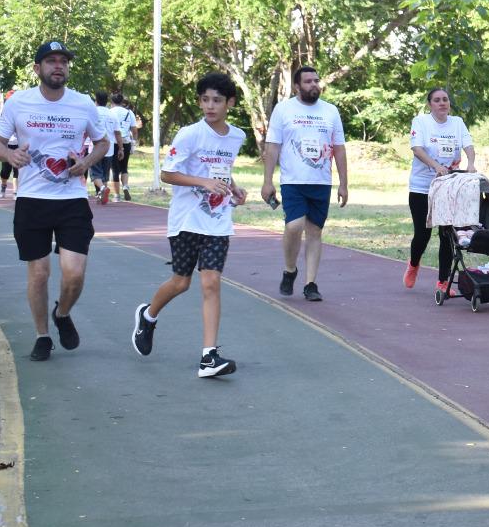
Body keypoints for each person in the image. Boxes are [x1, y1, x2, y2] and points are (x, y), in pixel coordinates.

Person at [0, 40, 108, 361]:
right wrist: (10, 154)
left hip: (71, 200)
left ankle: (63, 314)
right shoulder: (18, 103)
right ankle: (42, 335)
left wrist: (85, 163)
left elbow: (102, 142)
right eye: (51, 61)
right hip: (31, 199)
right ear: (37, 68)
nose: (58, 66)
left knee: (74, 273)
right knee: (39, 273)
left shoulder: (83, 104)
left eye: (63, 61)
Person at [131, 73, 246, 377]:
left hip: (218, 222)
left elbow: (222, 169)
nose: (210, 106)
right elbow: (168, 174)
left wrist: (233, 187)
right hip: (185, 220)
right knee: (181, 282)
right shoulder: (189, 134)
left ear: (229, 103)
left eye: (217, 100)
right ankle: (148, 315)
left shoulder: (237, 136)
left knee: (211, 282)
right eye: (205, 100)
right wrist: (204, 182)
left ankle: (209, 356)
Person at [260, 65, 348, 301]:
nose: (314, 85)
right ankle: (290, 270)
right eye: (308, 81)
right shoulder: (284, 109)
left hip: (321, 182)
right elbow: (273, 146)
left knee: (315, 231)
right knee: (294, 226)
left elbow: (339, 148)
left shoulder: (330, 111)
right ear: (297, 86)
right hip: (293, 181)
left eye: (316, 81)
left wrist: (343, 183)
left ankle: (310, 284)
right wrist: (267, 181)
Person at [403, 86, 475, 293]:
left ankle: (443, 283)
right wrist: (435, 166)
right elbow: (417, 149)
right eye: (437, 100)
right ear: (430, 104)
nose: (442, 103)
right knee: (422, 235)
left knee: (447, 235)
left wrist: (471, 162)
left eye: (445, 99)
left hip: (449, 187)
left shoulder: (457, 123)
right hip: (422, 187)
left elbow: (468, 145)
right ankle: (414, 263)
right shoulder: (421, 122)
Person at [88, 92, 118, 205]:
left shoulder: (93, 113)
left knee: (95, 173)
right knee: (105, 174)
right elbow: (118, 133)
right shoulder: (112, 114)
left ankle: (102, 189)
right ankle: (102, 195)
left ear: (96, 100)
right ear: (107, 101)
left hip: (95, 148)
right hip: (109, 149)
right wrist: (121, 148)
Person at [112, 92, 138, 199]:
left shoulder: (110, 112)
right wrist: (134, 143)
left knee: (114, 169)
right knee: (124, 167)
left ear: (112, 102)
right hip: (126, 141)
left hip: (114, 142)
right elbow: (134, 130)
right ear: (122, 102)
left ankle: (116, 195)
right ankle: (125, 186)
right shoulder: (129, 113)